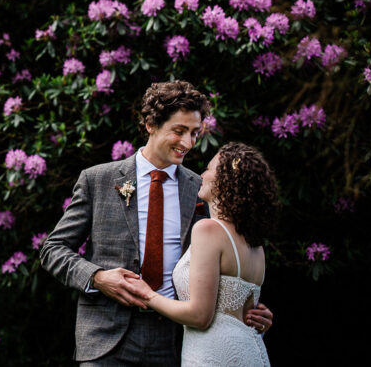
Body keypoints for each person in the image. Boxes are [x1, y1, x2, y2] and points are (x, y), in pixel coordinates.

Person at [39, 80, 273, 365]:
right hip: (106, 339)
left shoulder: (202, 188)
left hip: (176, 340)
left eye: (194, 133)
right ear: (150, 124)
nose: (187, 143)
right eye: (179, 131)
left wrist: (243, 308)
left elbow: (228, 254)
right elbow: (53, 249)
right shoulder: (97, 179)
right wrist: (98, 278)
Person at [123, 142, 278, 365]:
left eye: (209, 168)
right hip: (251, 351)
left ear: (226, 180)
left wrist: (147, 294)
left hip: (214, 355)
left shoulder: (208, 229)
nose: (202, 175)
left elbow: (200, 316)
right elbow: (241, 316)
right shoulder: (255, 245)